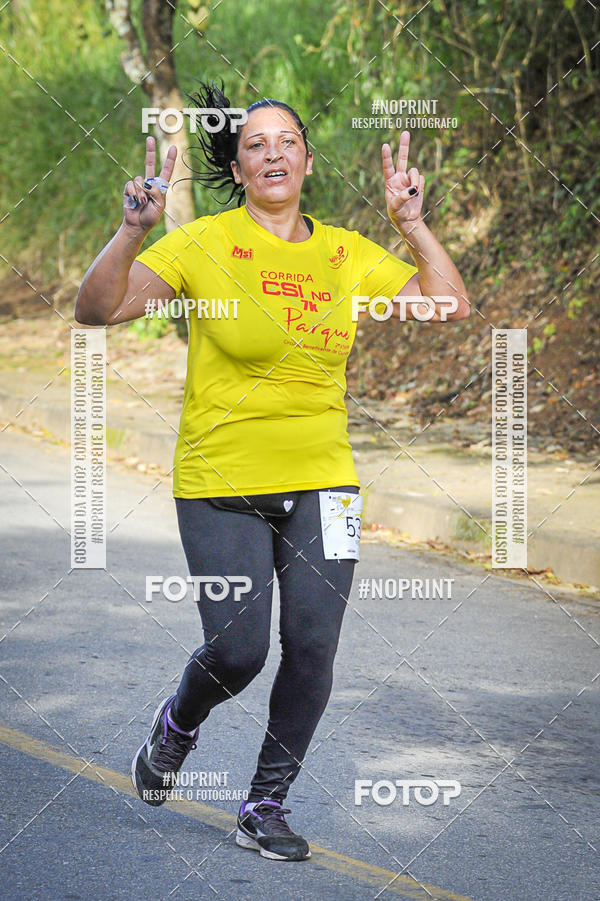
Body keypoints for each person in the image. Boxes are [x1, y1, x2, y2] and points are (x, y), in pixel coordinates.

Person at [75, 81, 469, 862]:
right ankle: (176, 724)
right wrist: (131, 232)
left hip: (326, 478)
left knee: (315, 644)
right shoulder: (204, 243)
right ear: (241, 166)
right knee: (239, 652)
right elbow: (97, 310)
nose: (272, 153)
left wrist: (414, 227)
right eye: (255, 144)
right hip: (220, 480)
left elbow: (448, 305)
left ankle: (265, 803)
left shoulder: (348, 252)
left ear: (308, 160)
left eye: (286, 140)